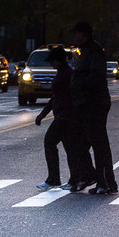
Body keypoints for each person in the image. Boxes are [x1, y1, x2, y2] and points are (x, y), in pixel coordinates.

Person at [70, 21, 118, 196]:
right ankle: (90, 176)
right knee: (79, 144)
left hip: (94, 104)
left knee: (99, 145)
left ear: (84, 35)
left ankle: (105, 183)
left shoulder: (94, 51)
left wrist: (77, 85)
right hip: (85, 104)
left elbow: (96, 77)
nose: (74, 37)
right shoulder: (85, 52)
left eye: (76, 34)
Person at [34, 46, 83, 191]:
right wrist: (43, 114)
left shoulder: (66, 75)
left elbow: (62, 97)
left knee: (50, 142)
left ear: (59, 60)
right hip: (65, 116)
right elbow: (55, 98)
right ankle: (73, 179)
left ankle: (55, 178)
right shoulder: (64, 73)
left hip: (64, 117)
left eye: (53, 61)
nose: (51, 64)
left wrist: (43, 114)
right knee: (70, 149)